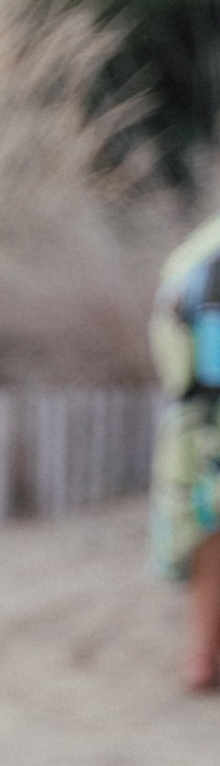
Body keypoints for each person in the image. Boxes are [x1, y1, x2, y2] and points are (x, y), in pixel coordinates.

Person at [150, 203, 220, 693]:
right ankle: (201, 656)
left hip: (190, 420)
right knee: (211, 535)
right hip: (209, 420)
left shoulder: (194, 251)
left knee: (205, 535)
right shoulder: (210, 259)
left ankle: (201, 655)